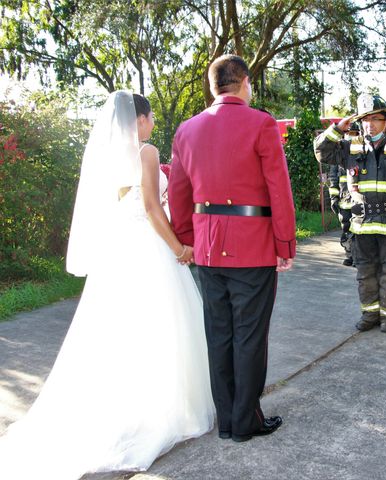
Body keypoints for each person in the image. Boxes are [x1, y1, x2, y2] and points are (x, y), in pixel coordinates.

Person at [0, 91, 214, 479]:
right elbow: (151, 207)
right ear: (142, 120)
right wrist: (180, 247)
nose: (151, 126)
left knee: (118, 333)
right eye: (149, 119)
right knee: (162, 329)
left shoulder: (105, 159)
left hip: (118, 253)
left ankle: (125, 409)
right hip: (149, 250)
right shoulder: (145, 152)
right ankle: (161, 411)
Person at [168, 54, 296, 443]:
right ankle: (245, 421)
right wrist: (284, 242)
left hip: (208, 248)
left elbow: (178, 191)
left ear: (212, 86)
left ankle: (227, 420)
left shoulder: (186, 130)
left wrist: (187, 238)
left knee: (219, 334)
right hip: (253, 246)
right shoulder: (261, 123)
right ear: (244, 82)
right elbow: (279, 188)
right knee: (250, 335)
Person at [314, 95, 386, 333]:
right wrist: (336, 129)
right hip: (362, 225)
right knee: (365, 274)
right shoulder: (350, 147)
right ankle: (370, 315)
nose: (370, 124)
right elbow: (321, 152)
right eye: (365, 119)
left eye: (376, 119)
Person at [328, 122, 359, 266]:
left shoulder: (363, 153)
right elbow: (333, 179)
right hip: (344, 201)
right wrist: (333, 197)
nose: (350, 137)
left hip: (359, 202)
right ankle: (349, 255)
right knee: (346, 229)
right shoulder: (338, 155)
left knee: (358, 230)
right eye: (348, 133)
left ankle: (359, 257)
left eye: (354, 134)